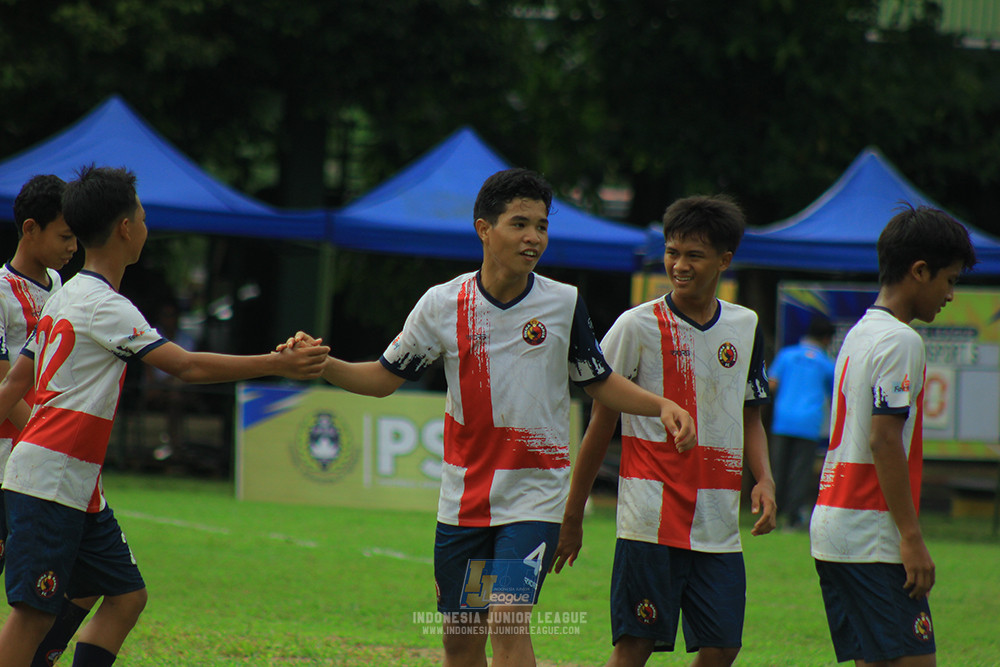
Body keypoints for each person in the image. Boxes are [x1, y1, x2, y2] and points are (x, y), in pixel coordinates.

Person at [286, 168, 697, 667]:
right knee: (460, 640)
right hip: (464, 498)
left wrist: (661, 404)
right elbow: (382, 378)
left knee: (507, 617)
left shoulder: (563, 302)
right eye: (519, 223)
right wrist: (322, 363)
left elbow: (598, 380)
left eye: (541, 226)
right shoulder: (442, 304)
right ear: (484, 228)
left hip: (534, 496)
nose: (533, 237)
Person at [0, 165, 330, 667]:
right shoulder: (104, 304)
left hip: (75, 483)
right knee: (33, 615)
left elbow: (15, 383)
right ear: (126, 228)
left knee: (126, 596)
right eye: (144, 217)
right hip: (49, 477)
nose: (147, 228)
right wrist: (277, 363)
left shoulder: (64, 295)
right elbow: (187, 366)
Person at [552, 194, 776, 667]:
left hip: (718, 522)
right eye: (673, 252)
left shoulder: (746, 325)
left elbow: (751, 413)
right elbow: (600, 425)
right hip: (650, 520)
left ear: (724, 260)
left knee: (723, 647)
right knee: (635, 645)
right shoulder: (636, 325)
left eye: (694, 255)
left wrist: (765, 479)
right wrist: (572, 514)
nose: (679, 264)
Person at [810, 206, 976, 666]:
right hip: (870, 535)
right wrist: (911, 536)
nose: (950, 294)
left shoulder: (860, 333)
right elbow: (884, 440)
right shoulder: (902, 341)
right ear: (919, 271)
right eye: (950, 280)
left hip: (834, 525)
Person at [1, 174, 100, 667]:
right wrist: (42, 440)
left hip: (50, 457)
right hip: (15, 457)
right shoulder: (0, 292)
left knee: (93, 574)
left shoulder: (64, 287)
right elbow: (6, 384)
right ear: (30, 229)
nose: (73, 247)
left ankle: (38, 657)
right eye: (65, 236)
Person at [768, 315, 836, 530]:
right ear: (827, 339)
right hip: (808, 423)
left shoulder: (787, 355)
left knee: (777, 469)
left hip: (783, 419)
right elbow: (835, 393)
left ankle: (770, 513)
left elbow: (772, 384)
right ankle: (793, 517)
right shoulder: (826, 363)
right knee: (799, 472)